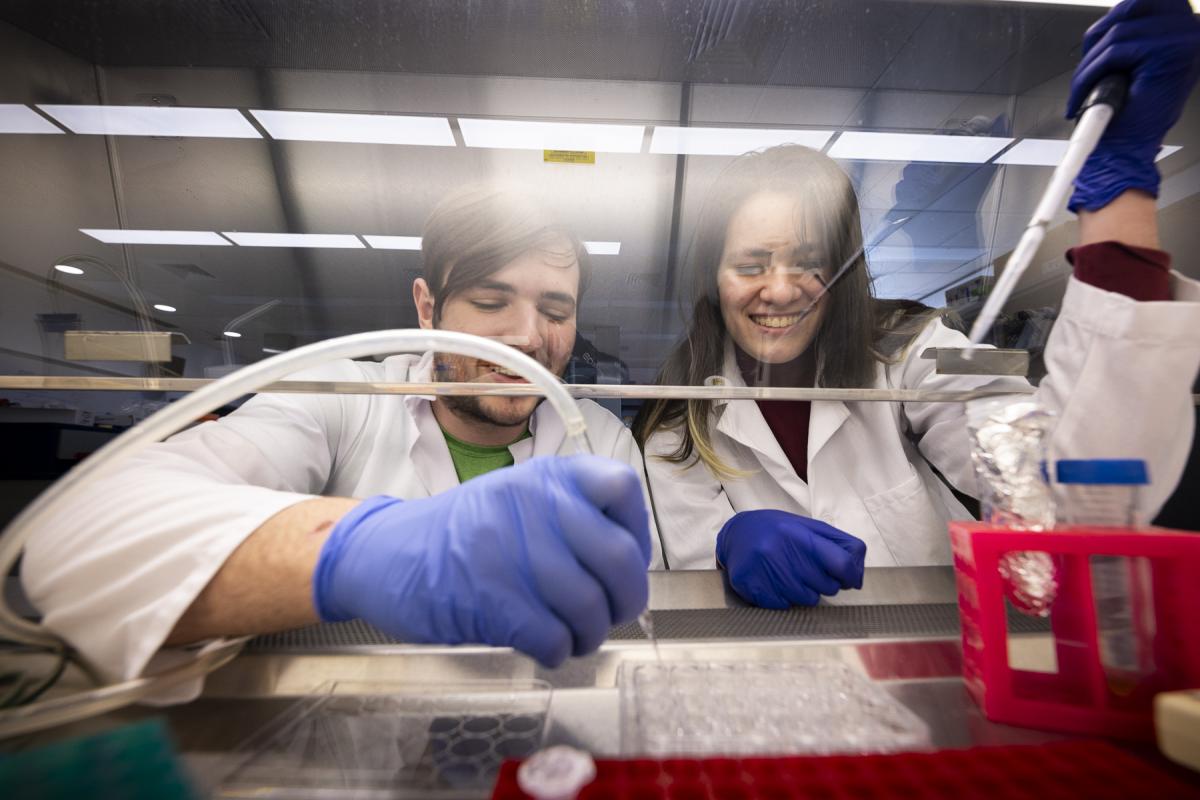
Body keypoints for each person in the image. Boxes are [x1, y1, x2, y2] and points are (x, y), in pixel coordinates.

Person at [635, 0, 1200, 607]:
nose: (779, 289)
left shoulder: (926, 344)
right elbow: (691, 605)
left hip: (935, 662)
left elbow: (1070, 479)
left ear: (841, 272)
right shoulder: (677, 428)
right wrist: (726, 546)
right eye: (751, 265)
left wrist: (1122, 187)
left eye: (808, 261)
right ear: (714, 279)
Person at [21, 186, 662, 694]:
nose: (527, 338)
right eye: (491, 301)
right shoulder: (336, 399)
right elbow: (71, 537)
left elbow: (637, 620)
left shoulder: (601, 442)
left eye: (555, 312)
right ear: (427, 306)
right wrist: (354, 551)